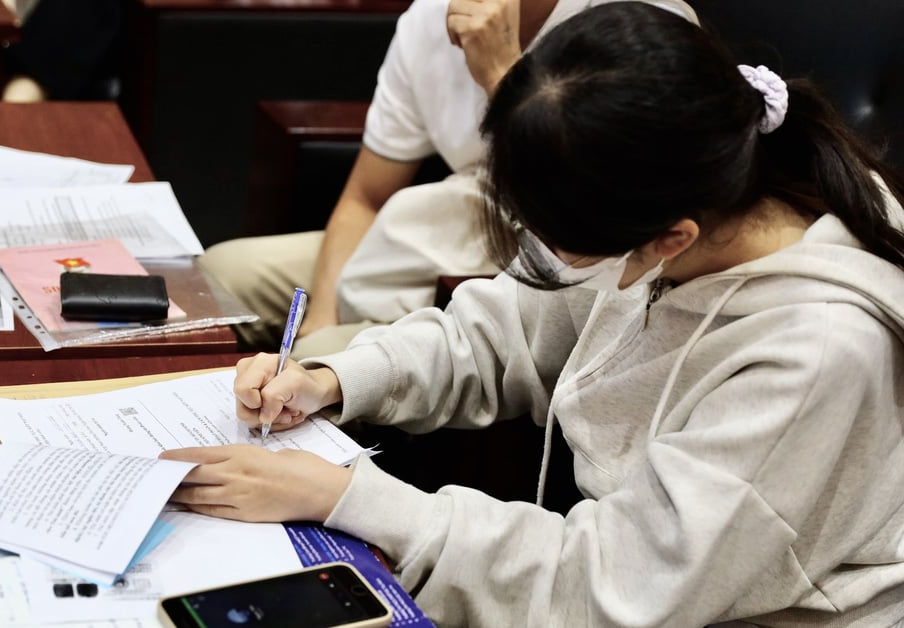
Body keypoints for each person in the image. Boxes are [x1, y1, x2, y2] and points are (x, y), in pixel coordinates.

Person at [160, 3, 904, 625]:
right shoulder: (662, 194)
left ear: (668, 240)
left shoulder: (815, 352)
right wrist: (334, 379)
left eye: (559, 243)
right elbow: (503, 324)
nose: (541, 258)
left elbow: (619, 585)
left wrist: (350, 498)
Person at [199, 0, 698, 359]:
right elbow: (366, 197)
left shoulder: (637, 24)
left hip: (559, 261)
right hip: (451, 225)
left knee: (324, 360)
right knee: (217, 274)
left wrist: (503, 73)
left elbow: (594, 216)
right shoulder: (427, 19)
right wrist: (320, 315)